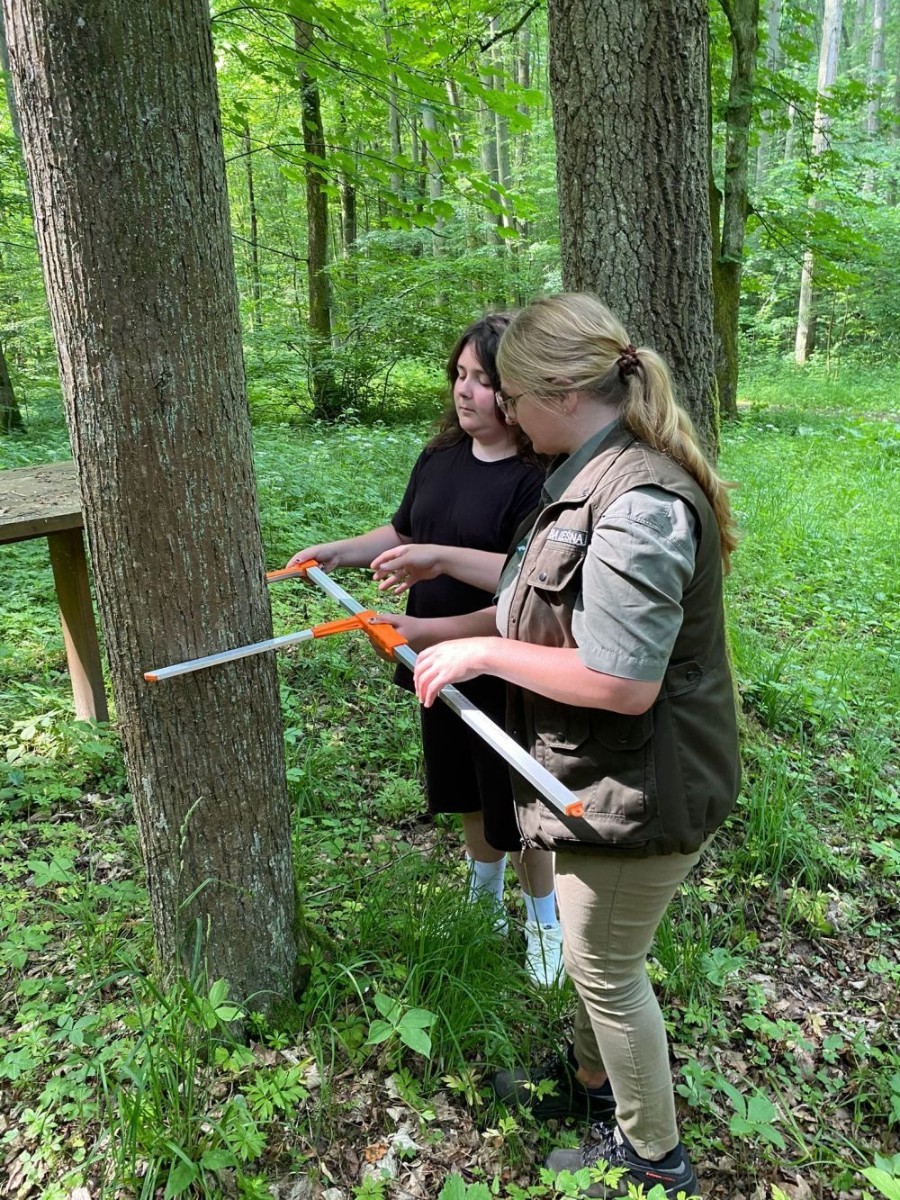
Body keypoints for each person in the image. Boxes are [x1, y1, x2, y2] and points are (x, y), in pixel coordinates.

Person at [399, 294, 741, 1198]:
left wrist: (478, 648)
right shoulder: (582, 474)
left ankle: (652, 1157)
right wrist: (446, 619)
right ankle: (592, 1091)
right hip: (592, 775)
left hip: (644, 786)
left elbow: (623, 680)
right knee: (598, 958)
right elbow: (538, 605)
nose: (500, 410)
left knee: (605, 967)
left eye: (508, 392)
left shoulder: (639, 501)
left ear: (556, 391)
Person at [286, 315, 564, 987]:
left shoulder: (539, 479)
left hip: (503, 656)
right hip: (428, 655)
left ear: (517, 391)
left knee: (515, 797)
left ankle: (547, 924)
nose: (464, 392)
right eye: (459, 376)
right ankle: (482, 900)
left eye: (482, 380)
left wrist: (436, 610)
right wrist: (338, 552)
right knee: (464, 782)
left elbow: (524, 582)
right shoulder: (441, 457)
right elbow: (405, 529)